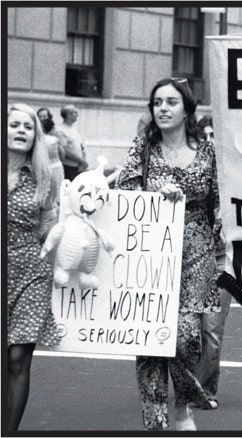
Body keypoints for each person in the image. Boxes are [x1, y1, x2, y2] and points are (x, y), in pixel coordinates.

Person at [116, 78, 220, 430]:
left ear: (187, 109)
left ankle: (182, 406)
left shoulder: (207, 152)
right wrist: (155, 193)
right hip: (151, 254)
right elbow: (124, 192)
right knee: (149, 338)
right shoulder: (142, 149)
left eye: (171, 102)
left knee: (186, 336)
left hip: (196, 254)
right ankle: (155, 420)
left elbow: (220, 203)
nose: (162, 108)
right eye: (157, 102)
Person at [7, 103, 60, 431]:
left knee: (17, 359)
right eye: (14, 124)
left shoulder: (44, 176)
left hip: (31, 272)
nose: (21, 131)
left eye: (28, 127)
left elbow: (47, 229)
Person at [194, 113, 229, 410]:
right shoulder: (190, 175)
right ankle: (187, 382)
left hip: (223, 260)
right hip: (190, 260)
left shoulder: (236, 178)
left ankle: (205, 390)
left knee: (212, 331)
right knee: (188, 330)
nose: (209, 142)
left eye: (214, 136)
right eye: (204, 136)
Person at [37, 107, 65, 195]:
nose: (42, 119)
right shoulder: (55, 139)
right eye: (40, 116)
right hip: (55, 165)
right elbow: (62, 154)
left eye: (44, 116)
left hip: (44, 166)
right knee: (57, 189)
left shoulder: (39, 139)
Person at [58, 104, 88, 180]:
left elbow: (81, 146)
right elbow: (65, 151)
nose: (77, 114)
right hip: (68, 168)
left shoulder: (73, 129)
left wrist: (83, 161)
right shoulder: (61, 130)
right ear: (68, 114)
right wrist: (82, 162)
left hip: (78, 167)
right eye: (75, 112)